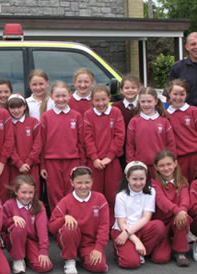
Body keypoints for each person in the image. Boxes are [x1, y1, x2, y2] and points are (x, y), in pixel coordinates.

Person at [48, 167, 109, 274]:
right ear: (72, 182)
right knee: (70, 227)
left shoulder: (100, 199)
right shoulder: (66, 201)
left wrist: (98, 249)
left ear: (92, 181)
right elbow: (51, 227)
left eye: (87, 182)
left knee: (100, 267)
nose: (83, 186)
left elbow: (104, 227)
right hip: (71, 240)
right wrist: (64, 218)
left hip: (89, 243)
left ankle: (83, 256)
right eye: (79, 182)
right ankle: (70, 259)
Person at [111, 161, 169, 269]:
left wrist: (135, 239)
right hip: (123, 230)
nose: (138, 183)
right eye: (134, 179)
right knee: (131, 263)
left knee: (158, 226)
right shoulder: (121, 196)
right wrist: (134, 239)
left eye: (141, 179)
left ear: (146, 178)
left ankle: (140, 250)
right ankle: (129, 250)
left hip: (141, 228)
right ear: (127, 178)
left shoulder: (151, 191)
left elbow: (146, 218)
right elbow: (121, 222)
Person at [83, 84, 125, 226]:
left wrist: (109, 157)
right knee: (94, 195)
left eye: (103, 99)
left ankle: (113, 225)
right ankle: (95, 225)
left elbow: (119, 136)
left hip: (111, 162)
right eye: (97, 100)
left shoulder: (116, 112)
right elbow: (87, 138)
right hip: (94, 163)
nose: (101, 104)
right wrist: (94, 157)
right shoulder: (88, 115)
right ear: (92, 101)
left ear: (109, 98)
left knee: (113, 195)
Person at [40, 81, 85, 211]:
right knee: (55, 194)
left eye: (64, 96)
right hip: (51, 161)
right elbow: (42, 142)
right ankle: (58, 223)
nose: (61, 99)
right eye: (57, 96)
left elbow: (81, 142)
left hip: (73, 160)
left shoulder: (76, 116)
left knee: (72, 192)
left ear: (69, 95)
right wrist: (43, 164)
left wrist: (82, 162)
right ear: (51, 96)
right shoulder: (46, 117)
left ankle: (72, 222)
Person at [166, 79, 197, 183]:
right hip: (180, 158)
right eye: (175, 94)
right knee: (182, 186)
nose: (178, 98)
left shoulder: (193, 111)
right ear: (169, 94)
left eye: (182, 94)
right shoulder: (165, 115)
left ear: (186, 95)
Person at [3, 175, 52, 274]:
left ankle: (27, 256)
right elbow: (1, 226)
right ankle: (18, 259)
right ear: (16, 192)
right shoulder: (8, 205)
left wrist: (43, 251)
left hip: (31, 241)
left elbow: (42, 230)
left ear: (35, 191)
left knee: (44, 267)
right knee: (19, 228)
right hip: (13, 239)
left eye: (30, 192)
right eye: (23, 192)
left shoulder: (38, 206)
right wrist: (12, 219)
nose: (27, 196)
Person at [152, 150, 191, 267]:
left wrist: (182, 210)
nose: (166, 168)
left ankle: (181, 251)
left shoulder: (182, 181)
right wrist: (177, 210)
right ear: (156, 167)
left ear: (175, 164)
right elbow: (161, 201)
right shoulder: (154, 183)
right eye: (162, 165)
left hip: (177, 219)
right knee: (160, 258)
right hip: (162, 223)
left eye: (169, 164)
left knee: (183, 218)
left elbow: (185, 199)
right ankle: (166, 243)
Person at [126, 86, 176, 176]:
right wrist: (131, 164)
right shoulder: (134, 121)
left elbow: (171, 145)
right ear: (139, 102)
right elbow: (130, 146)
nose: (146, 104)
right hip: (141, 167)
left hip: (161, 167)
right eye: (143, 102)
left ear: (156, 101)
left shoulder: (164, 121)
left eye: (149, 101)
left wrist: (170, 163)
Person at [7, 94, 42, 194]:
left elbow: (38, 144)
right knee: (15, 193)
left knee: (33, 193)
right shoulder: (8, 124)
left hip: (31, 166)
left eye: (19, 107)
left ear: (25, 106)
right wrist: (19, 163)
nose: (16, 110)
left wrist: (28, 162)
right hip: (14, 167)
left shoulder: (33, 122)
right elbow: (9, 146)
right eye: (12, 107)